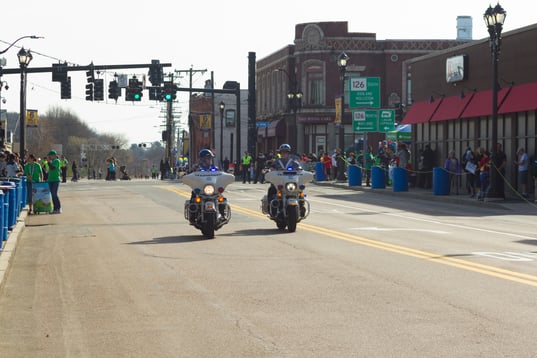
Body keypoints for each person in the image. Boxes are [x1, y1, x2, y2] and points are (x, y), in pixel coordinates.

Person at [47, 149, 62, 214]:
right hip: (50, 180)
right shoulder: (52, 161)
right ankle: (55, 208)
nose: (49, 157)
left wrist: (48, 162)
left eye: (50, 156)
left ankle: (58, 207)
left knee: (54, 194)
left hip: (55, 180)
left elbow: (53, 168)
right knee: (52, 195)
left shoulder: (56, 161)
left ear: (54, 155)